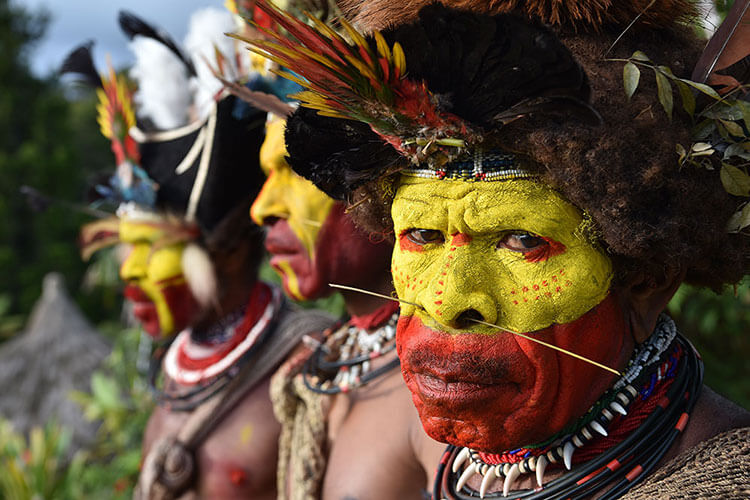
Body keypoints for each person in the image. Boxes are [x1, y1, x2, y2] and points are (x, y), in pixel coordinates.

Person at [244, 1, 750, 498]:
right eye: (421, 236)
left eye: (522, 240)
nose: (446, 302)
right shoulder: (452, 469)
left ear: (648, 279)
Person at [68, 8, 332, 499]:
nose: (129, 272)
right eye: (130, 249)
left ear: (229, 249)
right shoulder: (174, 370)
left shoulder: (311, 363)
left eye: (152, 249)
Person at [250, 114, 444, 499]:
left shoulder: (450, 379)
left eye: (298, 169)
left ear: (384, 184)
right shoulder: (320, 371)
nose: (263, 208)